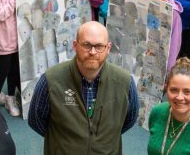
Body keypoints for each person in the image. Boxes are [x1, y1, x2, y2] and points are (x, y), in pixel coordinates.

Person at [28, 21, 139, 154]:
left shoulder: (125, 83)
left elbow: (129, 119)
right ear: (75, 45)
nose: (92, 52)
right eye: (86, 45)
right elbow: (36, 120)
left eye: (99, 46)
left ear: (108, 48)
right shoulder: (51, 80)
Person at [150, 0, 183, 72]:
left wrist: (169, 68)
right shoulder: (147, 5)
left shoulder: (174, 13)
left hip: (164, 62)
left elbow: (175, 42)